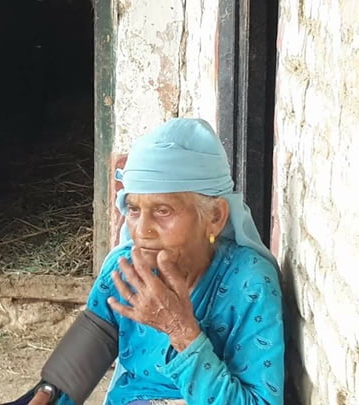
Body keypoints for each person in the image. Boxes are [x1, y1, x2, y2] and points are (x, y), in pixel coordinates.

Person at [20, 118, 284, 405]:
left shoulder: (249, 282)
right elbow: (84, 354)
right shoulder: (123, 271)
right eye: (133, 209)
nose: (142, 230)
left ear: (215, 217)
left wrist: (181, 331)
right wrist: (48, 393)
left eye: (162, 211)